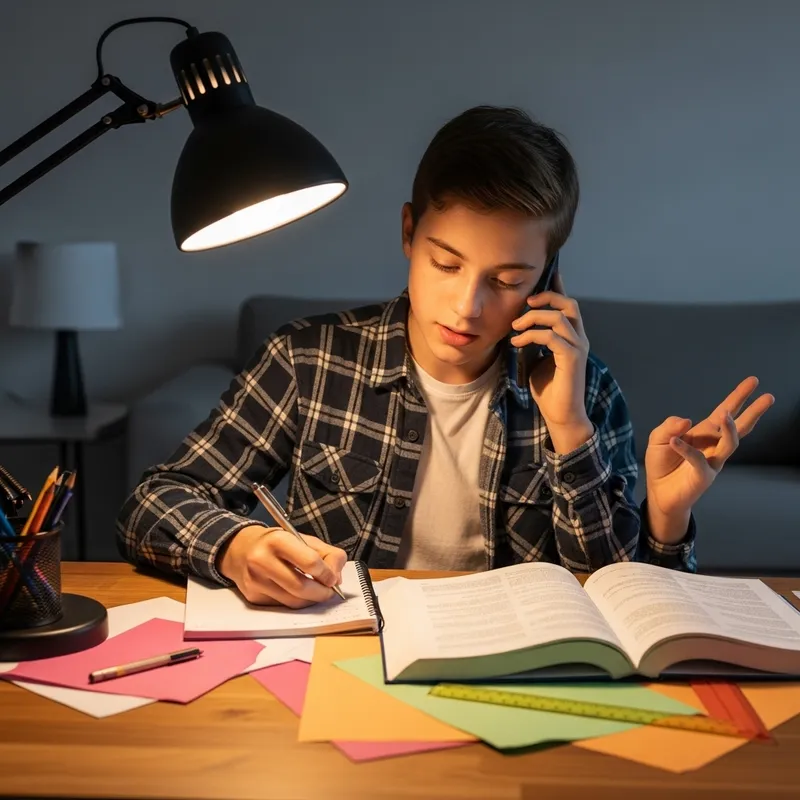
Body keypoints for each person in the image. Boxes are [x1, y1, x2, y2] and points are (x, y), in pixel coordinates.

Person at [116, 105, 774, 608]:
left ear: (548, 279)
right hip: (347, 658)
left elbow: (618, 599)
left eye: (508, 279)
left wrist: (570, 430)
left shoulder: (587, 391)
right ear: (409, 231)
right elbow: (155, 501)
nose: (466, 306)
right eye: (446, 262)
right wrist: (237, 545)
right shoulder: (308, 360)